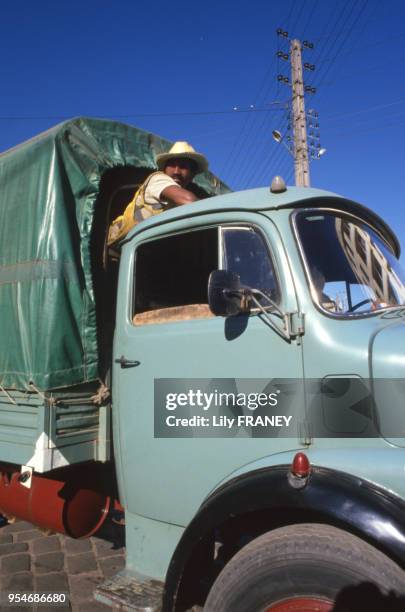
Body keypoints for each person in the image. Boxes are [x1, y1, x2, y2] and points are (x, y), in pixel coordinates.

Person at [108, 141, 208, 245]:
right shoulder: (158, 179)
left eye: (183, 167)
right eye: (172, 165)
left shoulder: (179, 202)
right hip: (116, 248)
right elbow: (190, 201)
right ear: (164, 169)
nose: (176, 171)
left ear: (192, 175)